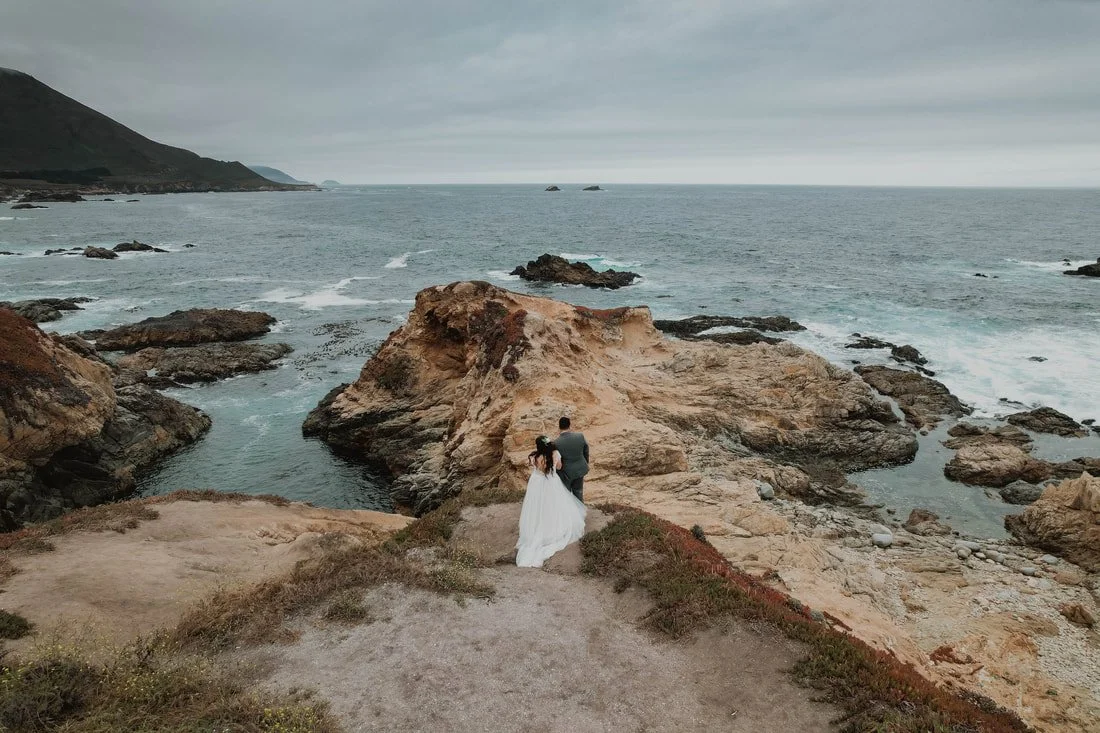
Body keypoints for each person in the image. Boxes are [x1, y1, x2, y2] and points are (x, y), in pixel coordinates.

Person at [516, 435, 586, 568]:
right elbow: (559, 467)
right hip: (551, 483)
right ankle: (551, 529)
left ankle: (536, 530)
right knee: (553, 506)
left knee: (537, 507)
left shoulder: (534, 457)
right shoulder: (555, 454)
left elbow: (535, 468)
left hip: (536, 484)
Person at [555, 416, 589, 502]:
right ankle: (580, 514)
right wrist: (585, 462)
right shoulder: (580, 436)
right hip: (580, 469)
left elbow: (556, 460)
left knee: (566, 495)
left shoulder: (556, 443)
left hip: (565, 473)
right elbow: (586, 450)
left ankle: (568, 514)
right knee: (578, 492)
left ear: (559, 427)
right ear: (569, 425)